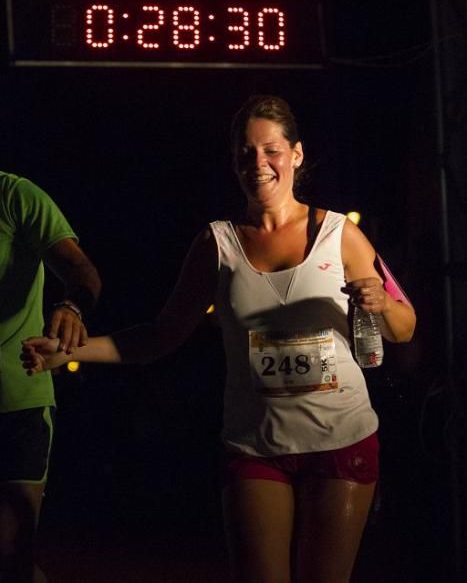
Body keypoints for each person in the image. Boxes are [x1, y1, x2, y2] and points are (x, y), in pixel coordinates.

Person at [21, 96, 416, 583]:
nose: (258, 164)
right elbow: (160, 336)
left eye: (270, 150)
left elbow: (405, 326)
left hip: (342, 439)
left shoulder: (340, 235)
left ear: (295, 154)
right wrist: (70, 351)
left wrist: (380, 303)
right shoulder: (217, 243)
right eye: (245, 154)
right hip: (255, 447)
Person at [0, 170, 102, 583]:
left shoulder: (14, 195)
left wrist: (70, 308)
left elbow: (83, 272)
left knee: (9, 558)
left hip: (14, 398)